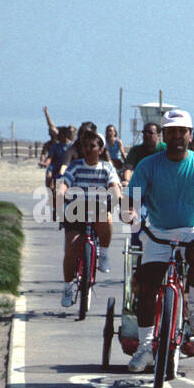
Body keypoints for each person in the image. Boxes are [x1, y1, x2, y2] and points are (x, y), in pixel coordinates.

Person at [121, 109, 194, 372]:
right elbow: (132, 197)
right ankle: (145, 347)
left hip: (193, 229)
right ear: (164, 135)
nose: (176, 136)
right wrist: (130, 212)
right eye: (170, 131)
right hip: (159, 232)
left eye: (181, 131)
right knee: (147, 285)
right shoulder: (149, 165)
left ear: (189, 134)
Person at [54, 127, 121, 306]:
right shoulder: (76, 166)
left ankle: (104, 254)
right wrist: (60, 193)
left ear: (100, 149)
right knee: (71, 247)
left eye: (92, 146)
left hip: (97, 209)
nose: (88, 149)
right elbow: (65, 182)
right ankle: (68, 287)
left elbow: (114, 185)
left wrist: (117, 196)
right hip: (76, 210)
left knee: (105, 217)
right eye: (85, 146)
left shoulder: (107, 168)